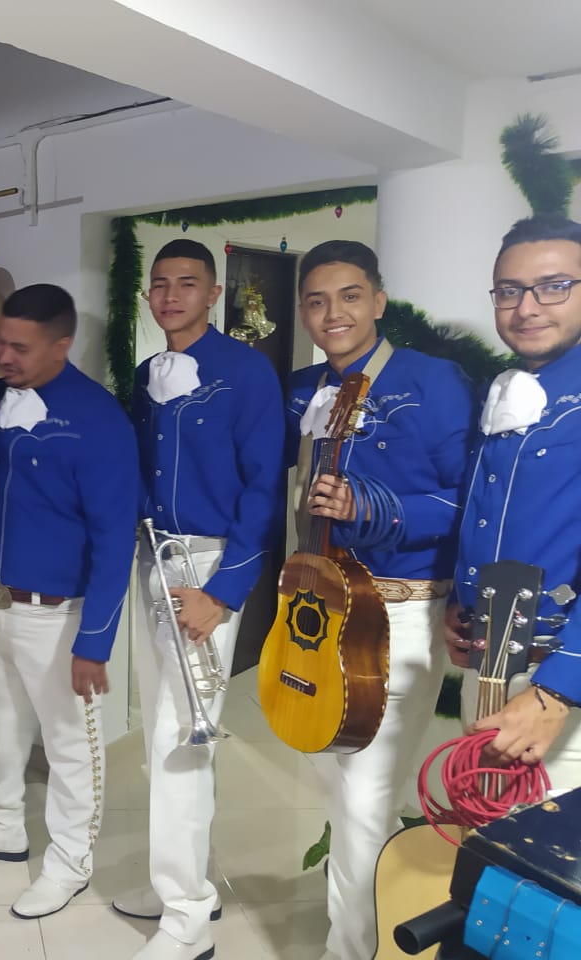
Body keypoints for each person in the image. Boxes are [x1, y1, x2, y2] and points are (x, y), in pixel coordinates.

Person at [285, 240, 477, 960]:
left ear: (380, 300)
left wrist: (374, 503)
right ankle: (380, 889)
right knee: (331, 770)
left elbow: (468, 502)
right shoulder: (305, 388)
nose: (332, 313)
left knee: (361, 803)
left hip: (400, 613)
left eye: (350, 295)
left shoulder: (436, 381)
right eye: (316, 299)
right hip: (317, 610)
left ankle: (352, 950)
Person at [111, 240, 285, 960]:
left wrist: (222, 592)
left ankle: (186, 917)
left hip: (209, 564)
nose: (171, 295)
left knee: (184, 740)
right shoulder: (147, 374)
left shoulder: (246, 372)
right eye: (160, 285)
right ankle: (176, 879)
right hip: (155, 557)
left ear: (213, 294)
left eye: (187, 284)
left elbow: (263, 487)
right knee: (160, 731)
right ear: (149, 298)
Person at [0, 284, 139, 919]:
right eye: (3, 341)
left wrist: (95, 643)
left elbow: (116, 540)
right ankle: (2, 824)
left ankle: (69, 862)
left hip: (57, 615)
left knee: (68, 745)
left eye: (21, 347)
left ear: (63, 344)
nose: (6, 355)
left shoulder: (99, 419)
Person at [448, 214, 581, 782]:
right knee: (485, 842)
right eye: (509, 291)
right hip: (494, 662)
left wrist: (558, 693)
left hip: (559, 690)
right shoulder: (503, 389)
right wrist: (460, 603)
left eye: (554, 286)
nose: (526, 307)